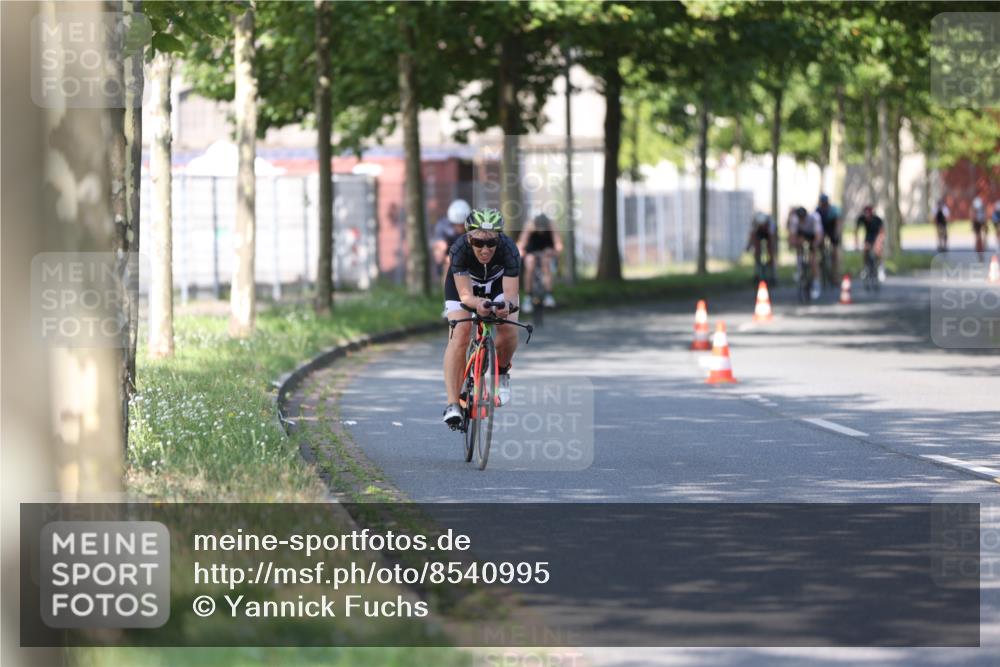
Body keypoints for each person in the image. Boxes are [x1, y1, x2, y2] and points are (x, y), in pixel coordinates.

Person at [442, 208, 521, 427]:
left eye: (491, 243)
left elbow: (512, 295)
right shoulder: (458, 249)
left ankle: (502, 372)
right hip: (465, 284)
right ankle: (452, 404)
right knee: (460, 334)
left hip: (497, 283)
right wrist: (479, 304)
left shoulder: (509, 249)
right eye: (478, 242)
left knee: (509, 327)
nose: (485, 249)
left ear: (499, 238)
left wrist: (506, 306)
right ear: (468, 237)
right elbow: (466, 296)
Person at [516, 213, 563, 313]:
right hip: (532, 248)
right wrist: (521, 252)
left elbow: (558, 244)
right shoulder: (529, 225)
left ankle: (549, 295)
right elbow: (522, 242)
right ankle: (528, 297)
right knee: (529, 264)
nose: (541, 231)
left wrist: (555, 252)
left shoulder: (551, 226)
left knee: (546, 263)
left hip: (547, 249)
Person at [431, 199, 471, 285]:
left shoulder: (472, 228)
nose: (460, 227)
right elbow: (439, 247)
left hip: (468, 255)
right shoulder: (442, 226)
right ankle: (447, 291)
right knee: (446, 258)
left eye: (462, 224)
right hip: (449, 257)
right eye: (457, 224)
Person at [788, 205, 824, 300]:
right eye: (800, 219)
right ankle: (799, 268)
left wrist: (814, 245)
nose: (801, 220)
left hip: (813, 234)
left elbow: (818, 236)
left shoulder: (815, 218)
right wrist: (794, 244)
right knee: (798, 246)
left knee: (813, 259)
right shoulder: (794, 220)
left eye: (803, 218)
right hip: (801, 234)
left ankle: (816, 283)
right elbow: (792, 237)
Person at [855, 205, 885, 281]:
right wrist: (856, 243)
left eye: (868, 214)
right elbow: (856, 231)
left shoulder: (877, 220)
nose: (867, 216)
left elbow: (882, 232)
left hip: (877, 235)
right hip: (868, 236)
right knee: (865, 249)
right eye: (865, 214)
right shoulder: (861, 219)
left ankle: (880, 268)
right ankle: (865, 267)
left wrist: (878, 242)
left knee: (878, 250)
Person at [745, 211, 777, 285]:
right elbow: (752, 236)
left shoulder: (771, 222)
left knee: (771, 252)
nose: (762, 226)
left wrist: (772, 248)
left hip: (768, 234)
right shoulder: (754, 223)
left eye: (764, 225)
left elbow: (772, 237)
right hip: (758, 234)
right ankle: (757, 272)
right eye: (761, 225)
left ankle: (773, 274)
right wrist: (749, 246)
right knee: (757, 251)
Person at [816, 193, 842, 284]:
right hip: (823, 228)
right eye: (822, 204)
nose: (824, 206)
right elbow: (817, 226)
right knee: (819, 246)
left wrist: (836, 234)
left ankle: (836, 276)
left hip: (832, 227)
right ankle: (820, 264)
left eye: (825, 204)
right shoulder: (818, 211)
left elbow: (838, 223)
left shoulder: (834, 210)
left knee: (835, 252)